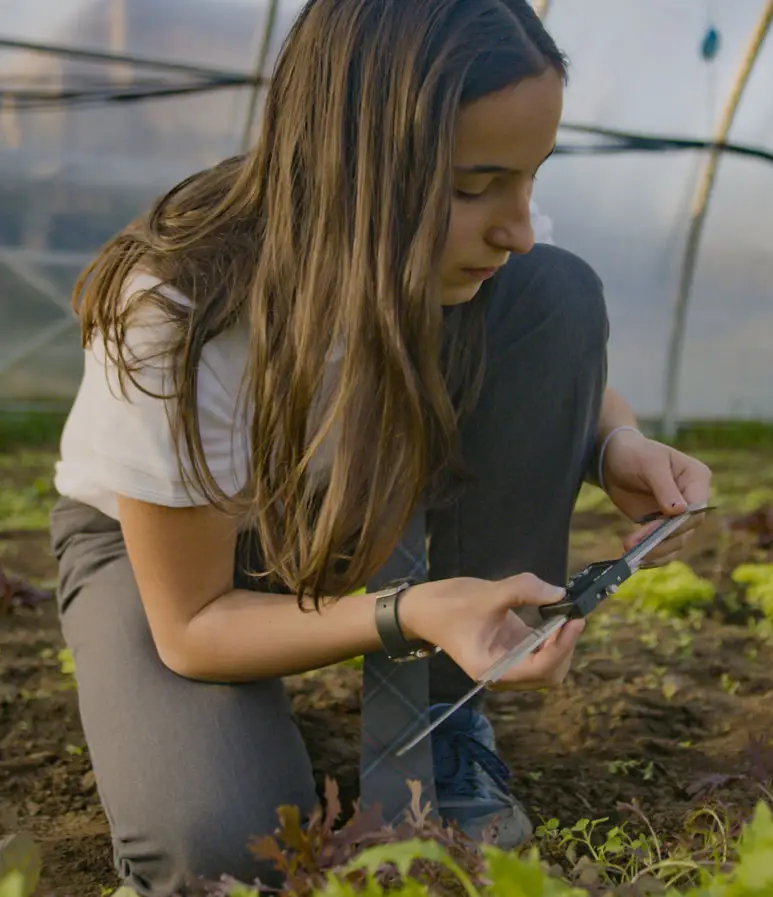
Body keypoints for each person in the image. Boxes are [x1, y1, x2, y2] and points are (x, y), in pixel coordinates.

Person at [46, 0, 712, 894]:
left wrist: (615, 443)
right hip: (173, 560)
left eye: (529, 179)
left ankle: (449, 709)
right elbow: (193, 625)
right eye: (475, 186)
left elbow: (555, 352)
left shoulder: (472, 243)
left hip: (354, 492)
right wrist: (407, 608)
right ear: (352, 166)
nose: (515, 223)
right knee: (225, 848)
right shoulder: (181, 307)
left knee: (552, 290)